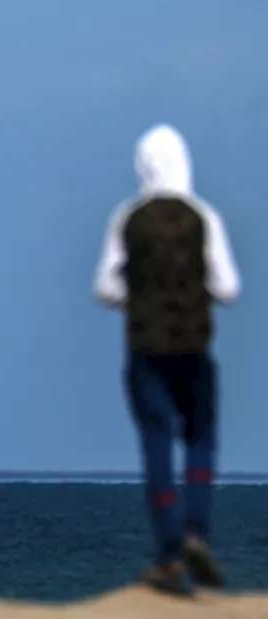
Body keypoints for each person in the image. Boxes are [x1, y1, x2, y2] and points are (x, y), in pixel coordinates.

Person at [93, 123, 241, 595]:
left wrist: (134, 297)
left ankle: (169, 554)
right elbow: (228, 288)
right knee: (200, 439)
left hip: (144, 349)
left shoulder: (128, 217)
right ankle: (196, 530)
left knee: (156, 444)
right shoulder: (204, 216)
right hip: (195, 348)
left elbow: (104, 288)